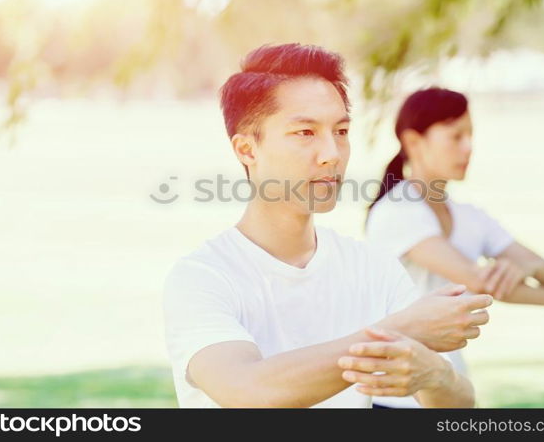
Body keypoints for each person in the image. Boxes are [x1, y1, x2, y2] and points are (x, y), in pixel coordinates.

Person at [163, 45, 494, 408]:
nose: (332, 154)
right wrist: (401, 329)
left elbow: (458, 404)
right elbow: (248, 391)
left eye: (340, 131)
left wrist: (436, 374)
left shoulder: (373, 269)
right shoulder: (203, 277)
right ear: (246, 150)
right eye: (305, 132)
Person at [365, 87, 544, 409]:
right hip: (393, 399)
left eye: (470, 136)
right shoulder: (397, 212)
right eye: (455, 137)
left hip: (448, 388)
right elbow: (479, 280)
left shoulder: (471, 217)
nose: (468, 148)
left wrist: (525, 267)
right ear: (414, 142)